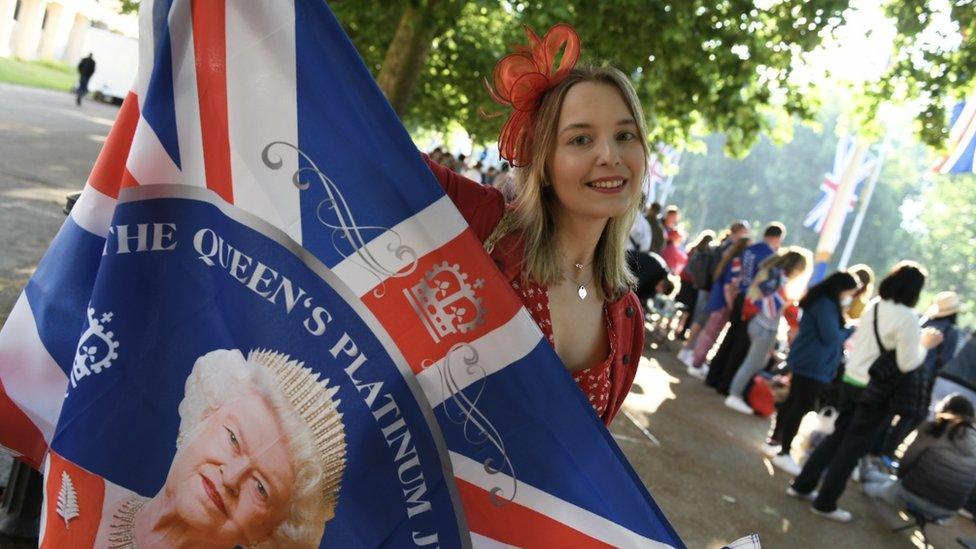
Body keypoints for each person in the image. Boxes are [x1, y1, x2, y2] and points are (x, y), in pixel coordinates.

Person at [421, 24, 647, 425]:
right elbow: (369, 150)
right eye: (581, 140)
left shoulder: (626, 314)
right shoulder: (480, 220)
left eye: (625, 135)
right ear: (542, 162)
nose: (610, 155)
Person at [94, 349, 346, 547]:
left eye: (261, 488)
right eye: (233, 440)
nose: (231, 477)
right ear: (201, 416)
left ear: (272, 533)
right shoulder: (63, 484)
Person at [789, 261, 944, 522]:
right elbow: (908, 362)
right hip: (876, 391)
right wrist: (925, 345)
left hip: (851, 380)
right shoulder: (908, 318)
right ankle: (825, 502)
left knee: (837, 438)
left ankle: (802, 485)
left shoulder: (874, 306)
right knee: (851, 448)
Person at [765, 271, 860, 474]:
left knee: (793, 403)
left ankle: (777, 440)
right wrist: (851, 330)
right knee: (800, 406)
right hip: (813, 364)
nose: (848, 297)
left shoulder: (820, 301)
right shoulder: (826, 305)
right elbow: (830, 336)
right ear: (840, 289)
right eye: (849, 293)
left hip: (808, 360)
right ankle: (784, 451)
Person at [724, 247, 812, 415]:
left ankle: (737, 393)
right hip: (764, 327)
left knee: (758, 362)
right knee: (753, 363)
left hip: (758, 323)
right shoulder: (780, 280)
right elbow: (783, 305)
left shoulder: (771, 273)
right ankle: (735, 394)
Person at [876, 290, 962, 461]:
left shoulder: (923, 321)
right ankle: (886, 453)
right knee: (913, 415)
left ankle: (876, 446)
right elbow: (945, 359)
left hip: (905, 370)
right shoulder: (951, 332)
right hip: (924, 379)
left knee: (890, 410)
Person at [862, 395, 976, 521]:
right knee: (896, 483)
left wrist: (901, 480)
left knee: (868, 488)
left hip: (912, 494)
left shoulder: (934, 429)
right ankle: (871, 472)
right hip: (947, 511)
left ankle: (868, 472)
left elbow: (907, 462)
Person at [707, 222, 786, 394]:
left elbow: (737, 271)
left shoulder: (749, 249)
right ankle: (724, 383)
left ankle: (713, 375)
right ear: (777, 238)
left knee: (730, 337)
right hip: (752, 301)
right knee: (740, 344)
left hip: (740, 296)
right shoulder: (770, 256)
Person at [678, 221, 749, 366]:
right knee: (701, 320)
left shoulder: (724, 243)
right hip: (711, 287)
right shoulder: (730, 246)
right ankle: (688, 350)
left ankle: (689, 349)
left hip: (708, 286)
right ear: (739, 231)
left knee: (701, 319)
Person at [931, 334, 976, 419]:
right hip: (969, 390)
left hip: (944, 379)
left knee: (932, 418)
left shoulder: (968, 338)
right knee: (959, 427)